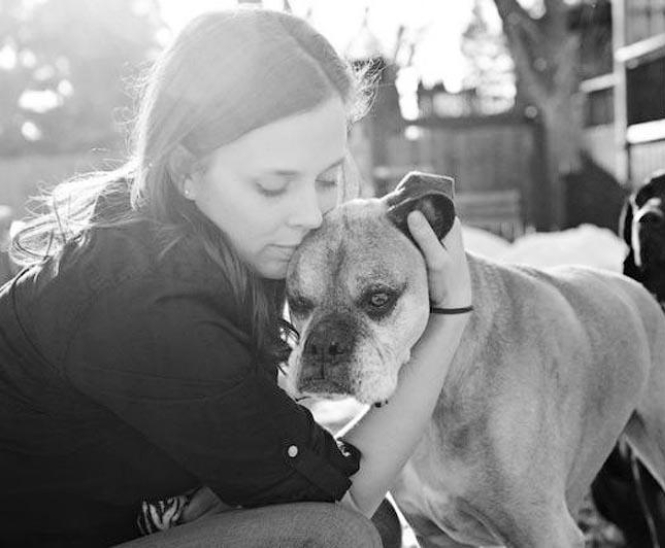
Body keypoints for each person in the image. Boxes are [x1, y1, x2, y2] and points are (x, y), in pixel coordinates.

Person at [0, 7, 472, 547]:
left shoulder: (209, 243)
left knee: (378, 523)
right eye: (273, 186)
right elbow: (342, 499)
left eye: (325, 178)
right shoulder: (153, 303)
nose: (309, 215)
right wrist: (453, 311)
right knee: (332, 534)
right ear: (187, 172)